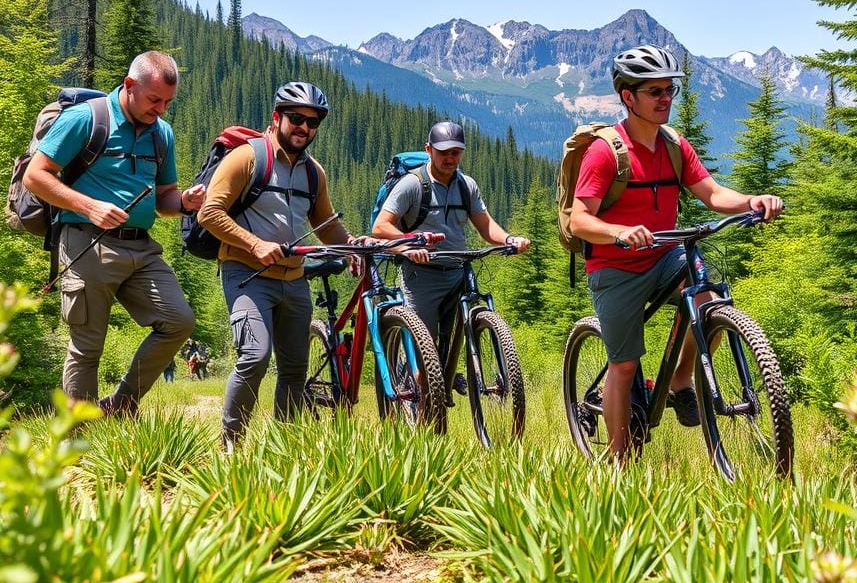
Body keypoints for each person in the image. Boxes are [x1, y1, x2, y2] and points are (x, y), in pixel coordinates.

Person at [568, 45, 783, 462]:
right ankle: (616, 461)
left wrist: (751, 200)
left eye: (670, 90)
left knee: (708, 295)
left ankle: (681, 380)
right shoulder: (604, 152)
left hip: (664, 254)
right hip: (615, 265)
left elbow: (713, 194)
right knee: (625, 365)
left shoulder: (673, 145)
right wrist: (619, 232)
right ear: (628, 97)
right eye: (655, 91)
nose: (666, 99)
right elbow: (580, 220)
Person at [23, 51, 205, 415]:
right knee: (87, 348)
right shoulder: (85, 120)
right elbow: (36, 176)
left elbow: (164, 197)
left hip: (141, 248)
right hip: (86, 244)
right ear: (129, 86)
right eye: (155, 100)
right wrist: (89, 206)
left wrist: (184, 201)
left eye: (168, 102)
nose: (162, 110)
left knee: (178, 321)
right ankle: (78, 444)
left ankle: (122, 403)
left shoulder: (161, 134)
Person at [197, 81, 362, 452]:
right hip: (247, 275)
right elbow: (209, 212)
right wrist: (255, 244)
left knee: (294, 370)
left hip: (295, 279)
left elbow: (327, 224)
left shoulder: (313, 172)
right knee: (254, 356)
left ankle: (284, 448)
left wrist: (352, 247)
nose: (305, 127)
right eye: (296, 118)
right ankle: (231, 446)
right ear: (277, 117)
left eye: (313, 121)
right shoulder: (246, 158)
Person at [372, 121, 530, 403]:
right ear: (429, 150)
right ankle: (420, 414)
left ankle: (448, 377)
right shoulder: (412, 185)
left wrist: (509, 239)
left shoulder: (466, 186)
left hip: (457, 271)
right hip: (422, 274)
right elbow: (381, 227)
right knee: (424, 352)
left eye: (456, 152)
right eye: (444, 151)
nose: (450, 158)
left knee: (455, 335)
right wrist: (408, 246)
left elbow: (486, 226)